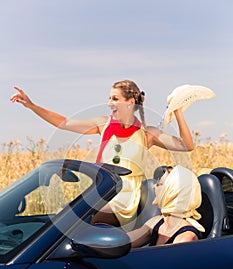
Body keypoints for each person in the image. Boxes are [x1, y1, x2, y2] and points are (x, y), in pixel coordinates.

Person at [10, 80, 194, 229]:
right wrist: (32, 106)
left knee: (86, 221)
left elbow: (187, 145)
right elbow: (64, 123)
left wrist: (177, 112)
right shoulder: (102, 124)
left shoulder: (148, 134)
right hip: (100, 191)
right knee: (65, 219)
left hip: (125, 196)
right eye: (109, 98)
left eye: (115, 98)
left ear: (130, 103)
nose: (109, 103)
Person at [127, 165, 205, 247]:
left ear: (172, 192)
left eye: (159, 184)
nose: (154, 187)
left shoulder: (186, 238)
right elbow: (123, 242)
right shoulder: (158, 222)